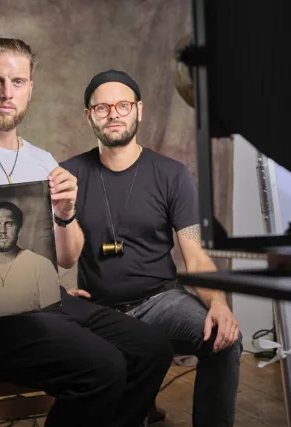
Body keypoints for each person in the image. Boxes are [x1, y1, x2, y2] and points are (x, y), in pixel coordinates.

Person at [0, 40, 173, 427]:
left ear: (30, 88)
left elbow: (68, 257)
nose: (8, 93)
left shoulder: (43, 161)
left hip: (44, 300)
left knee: (152, 348)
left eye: (18, 81)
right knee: (103, 367)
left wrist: (67, 213)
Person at [60, 70, 242, 427]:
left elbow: (195, 255)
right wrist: (59, 292)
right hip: (98, 309)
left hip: (160, 301)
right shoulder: (69, 175)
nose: (113, 114)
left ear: (139, 110)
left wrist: (219, 303)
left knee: (225, 340)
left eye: (123, 105)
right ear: (89, 116)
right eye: (102, 107)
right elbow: (50, 251)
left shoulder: (173, 174)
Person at [0, 201, 60, 317]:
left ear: (19, 229)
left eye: (9, 224)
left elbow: (53, 318)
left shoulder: (42, 265)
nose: (2, 231)